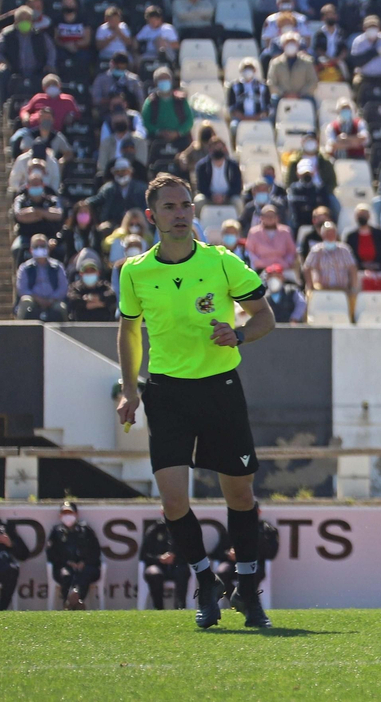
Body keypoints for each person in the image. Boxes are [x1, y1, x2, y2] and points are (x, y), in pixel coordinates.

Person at [115, 175, 277, 629]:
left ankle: (246, 591)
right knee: (171, 501)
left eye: (185, 205)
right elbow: (129, 330)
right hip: (166, 393)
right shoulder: (134, 271)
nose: (180, 213)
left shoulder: (222, 262)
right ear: (152, 216)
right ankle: (205, 582)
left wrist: (240, 333)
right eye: (169, 207)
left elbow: (266, 317)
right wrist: (130, 389)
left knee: (240, 495)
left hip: (220, 389)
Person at [46, 501, 101, 610]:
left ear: (76, 514)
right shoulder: (56, 532)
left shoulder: (86, 530)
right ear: (60, 515)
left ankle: (71, 601)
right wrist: (67, 562)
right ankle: (76, 602)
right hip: (64, 567)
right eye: (64, 513)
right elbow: (51, 553)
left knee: (84, 574)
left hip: (87, 567)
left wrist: (84, 562)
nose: (68, 516)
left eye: (70, 513)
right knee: (66, 575)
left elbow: (96, 551)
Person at [140, 516, 191, 610]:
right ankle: (159, 608)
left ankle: (180, 607)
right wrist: (159, 558)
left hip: (176, 565)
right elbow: (144, 555)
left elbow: (191, 554)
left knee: (183, 571)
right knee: (154, 573)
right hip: (157, 565)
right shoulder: (154, 530)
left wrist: (175, 556)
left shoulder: (184, 531)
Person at [15, 234, 69, 321]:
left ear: (48, 248)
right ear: (31, 250)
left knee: (62, 307)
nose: (39, 248)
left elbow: (63, 288)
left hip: (53, 301)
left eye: (43, 246)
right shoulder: (25, 268)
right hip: (33, 300)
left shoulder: (57, 267)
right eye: (36, 246)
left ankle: (66, 333)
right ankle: (19, 332)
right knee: (25, 302)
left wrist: (51, 300)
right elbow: (22, 289)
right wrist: (37, 299)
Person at [0, 499, 33, 610]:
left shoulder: (5, 529)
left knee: (12, 569)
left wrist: (10, 543)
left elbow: (24, 554)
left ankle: (0, 613)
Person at [67, 258, 117, 322]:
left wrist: (96, 298)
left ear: (98, 273)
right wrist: (100, 303)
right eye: (86, 272)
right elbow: (73, 301)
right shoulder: (75, 287)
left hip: (104, 323)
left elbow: (112, 296)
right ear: (81, 274)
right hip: (81, 324)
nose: (89, 273)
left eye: (92, 271)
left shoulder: (104, 285)